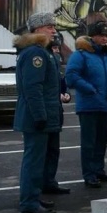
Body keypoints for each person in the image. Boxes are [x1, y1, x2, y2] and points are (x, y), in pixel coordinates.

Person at [13, 12, 64, 213]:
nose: (54, 30)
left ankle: (33, 196)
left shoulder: (42, 51)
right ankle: (29, 203)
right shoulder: (36, 54)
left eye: (54, 26)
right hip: (37, 117)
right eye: (49, 26)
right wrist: (40, 116)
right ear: (36, 29)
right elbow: (33, 89)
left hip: (44, 115)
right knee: (33, 161)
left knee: (39, 160)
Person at [65, 20, 107, 188]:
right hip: (89, 105)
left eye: (106, 36)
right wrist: (90, 89)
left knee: (101, 140)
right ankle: (89, 174)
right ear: (92, 36)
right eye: (100, 36)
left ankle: (98, 170)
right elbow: (71, 76)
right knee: (89, 142)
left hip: (104, 104)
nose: (104, 39)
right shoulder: (80, 55)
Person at [42, 33, 72, 195]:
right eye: (53, 48)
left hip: (55, 112)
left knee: (54, 150)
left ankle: (50, 181)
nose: (56, 51)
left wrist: (66, 93)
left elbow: (62, 84)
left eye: (57, 48)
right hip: (46, 114)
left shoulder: (57, 66)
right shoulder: (43, 62)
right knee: (42, 153)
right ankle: (39, 185)